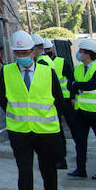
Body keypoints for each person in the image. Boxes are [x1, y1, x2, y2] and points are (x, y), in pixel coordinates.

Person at [0, 29, 66, 190]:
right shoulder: (7, 71)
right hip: (20, 133)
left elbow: (59, 100)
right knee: (24, 176)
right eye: (18, 54)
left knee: (49, 174)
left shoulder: (47, 71)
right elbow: (3, 100)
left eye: (25, 53)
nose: (22, 57)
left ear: (33, 51)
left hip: (46, 132)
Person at [67, 39, 96, 180]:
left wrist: (76, 85)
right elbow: (70, 85)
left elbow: (91, 85)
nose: (79, 54)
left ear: (88, 53)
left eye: (81, 52)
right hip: (81, 112)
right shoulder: (78, 68)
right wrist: (75, 86)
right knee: (80, 142)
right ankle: (80, 169)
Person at [35, 35, 70, 170]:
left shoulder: (42, 62)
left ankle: (60, 159)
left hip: (50, 102)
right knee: (58, 132)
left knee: (57, 133)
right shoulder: (46, 60)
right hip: (54, 101)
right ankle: (60, 158)